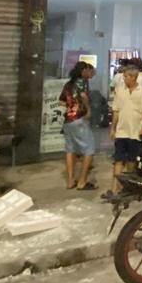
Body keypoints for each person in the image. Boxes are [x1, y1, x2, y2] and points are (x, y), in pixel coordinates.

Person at [109, 63, 142, 195]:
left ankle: (129, 187)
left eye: (126, 76)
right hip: (121, 131)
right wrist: (113, 128)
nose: (124, 79)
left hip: (135, 131)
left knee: (132, 160)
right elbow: (115, 111)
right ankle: (114, 188)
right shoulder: (120, 91)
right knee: (118, 160)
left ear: (133, 77)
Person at [61, 62, 97, 190]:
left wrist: (71, 106)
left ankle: (70, 181)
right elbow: (83, 95)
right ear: (83, 71)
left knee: (70, 150)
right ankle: (82, 181)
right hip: (79, 119)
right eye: (88, 70)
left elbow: (61, 101)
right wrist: (88, 109)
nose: (90, 73)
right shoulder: (82, 82)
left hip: (68, 120)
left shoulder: (68, 83)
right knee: (90, 149)